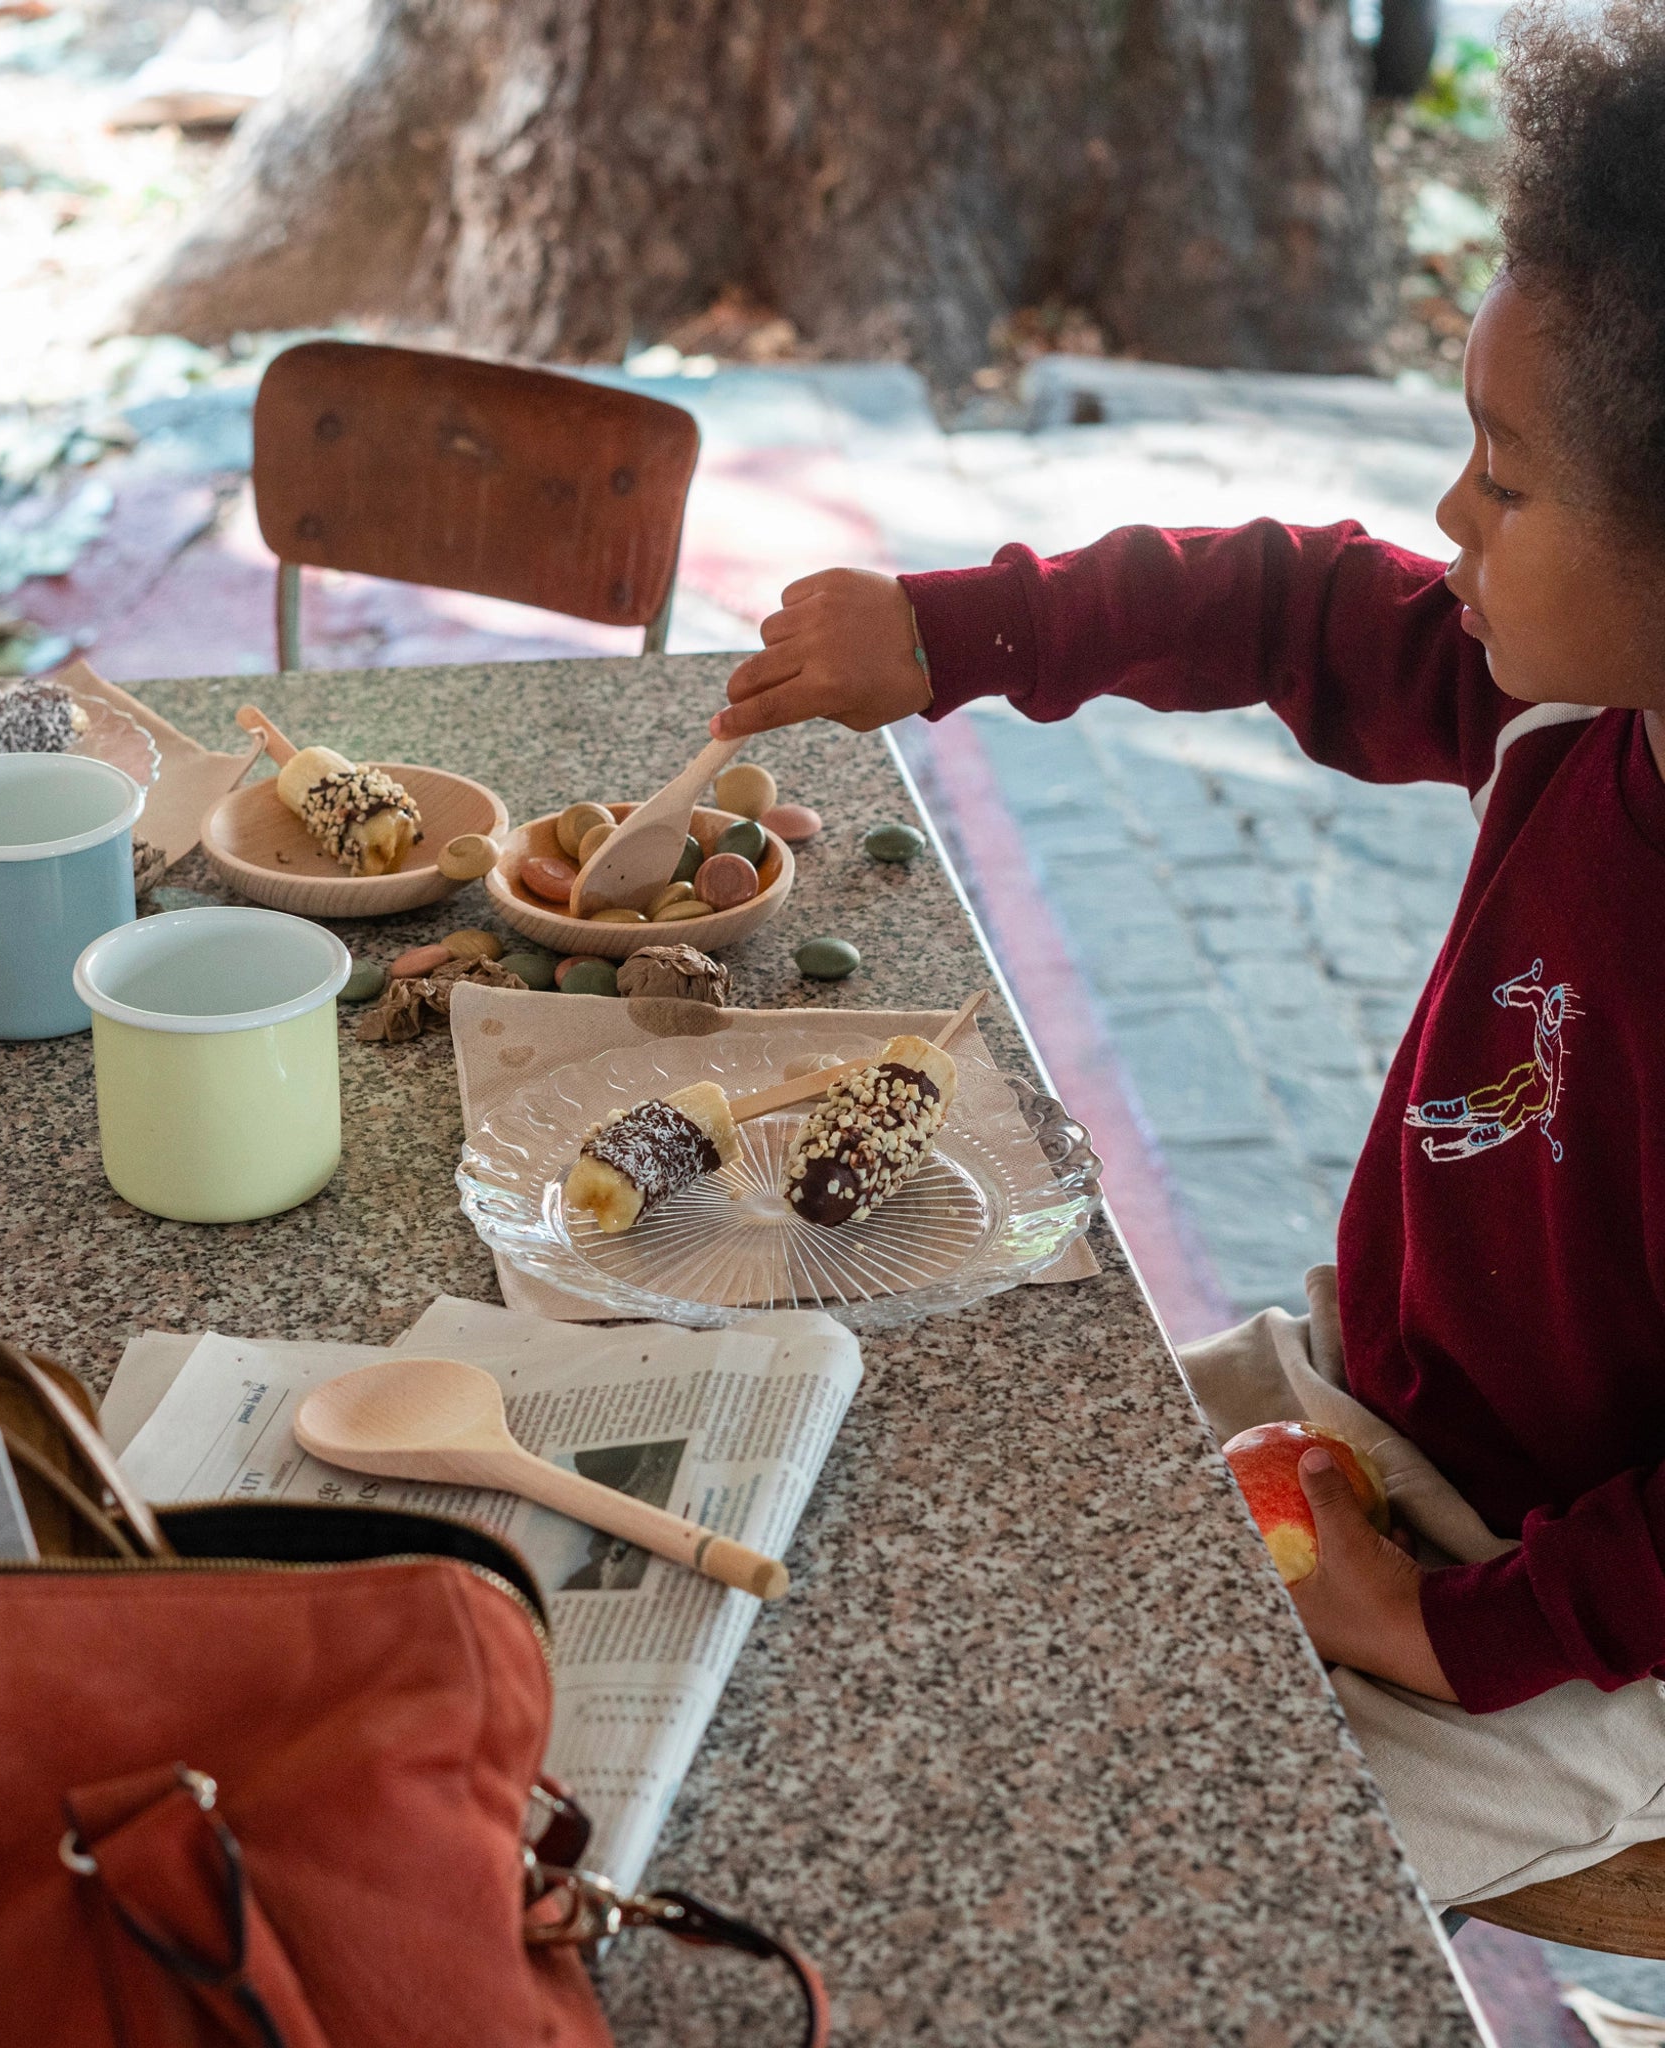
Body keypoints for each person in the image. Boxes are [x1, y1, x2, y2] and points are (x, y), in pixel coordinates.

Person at [710, 0, 1665, 1909]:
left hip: (1589, 1632)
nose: (1450, 516)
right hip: (1374, 1422)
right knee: (918, 1531)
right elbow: (1291, 601)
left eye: (1505, 473)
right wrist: (958, 630)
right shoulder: (1573, 708)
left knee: (1150, 1852)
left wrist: (1455, 1630)